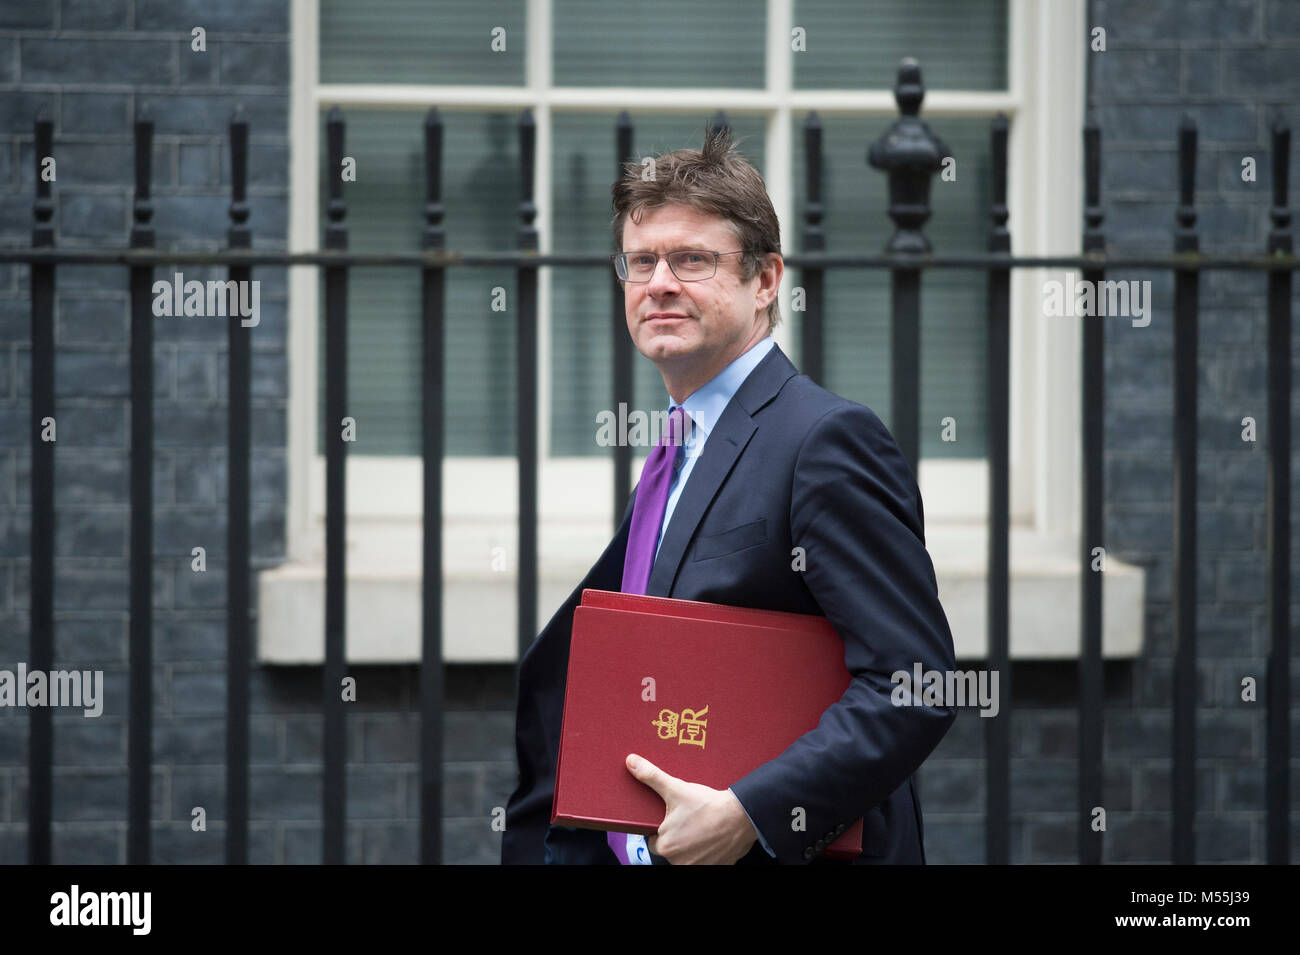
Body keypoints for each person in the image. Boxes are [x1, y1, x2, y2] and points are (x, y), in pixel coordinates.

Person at [501, 127, 957, 865]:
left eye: (693, 260)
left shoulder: (825, 441)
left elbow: (916, 681)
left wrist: (752, 811)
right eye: (641, 261)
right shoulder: (677, 448)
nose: (659, 283)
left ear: (766, 279)